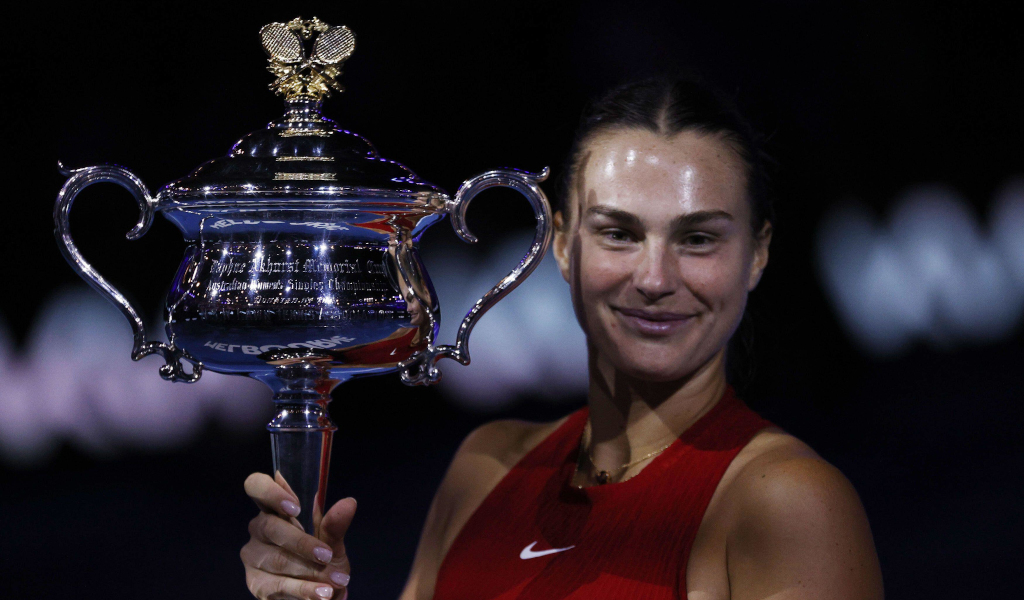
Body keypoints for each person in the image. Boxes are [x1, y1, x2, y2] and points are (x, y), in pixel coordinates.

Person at [240, 76, 884, 600]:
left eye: (697, 238)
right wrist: (309, 591)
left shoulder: (789, 504)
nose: (655, 278)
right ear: (563, 244)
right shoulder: (483, 470)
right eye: (619, 233)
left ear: (758, 253)